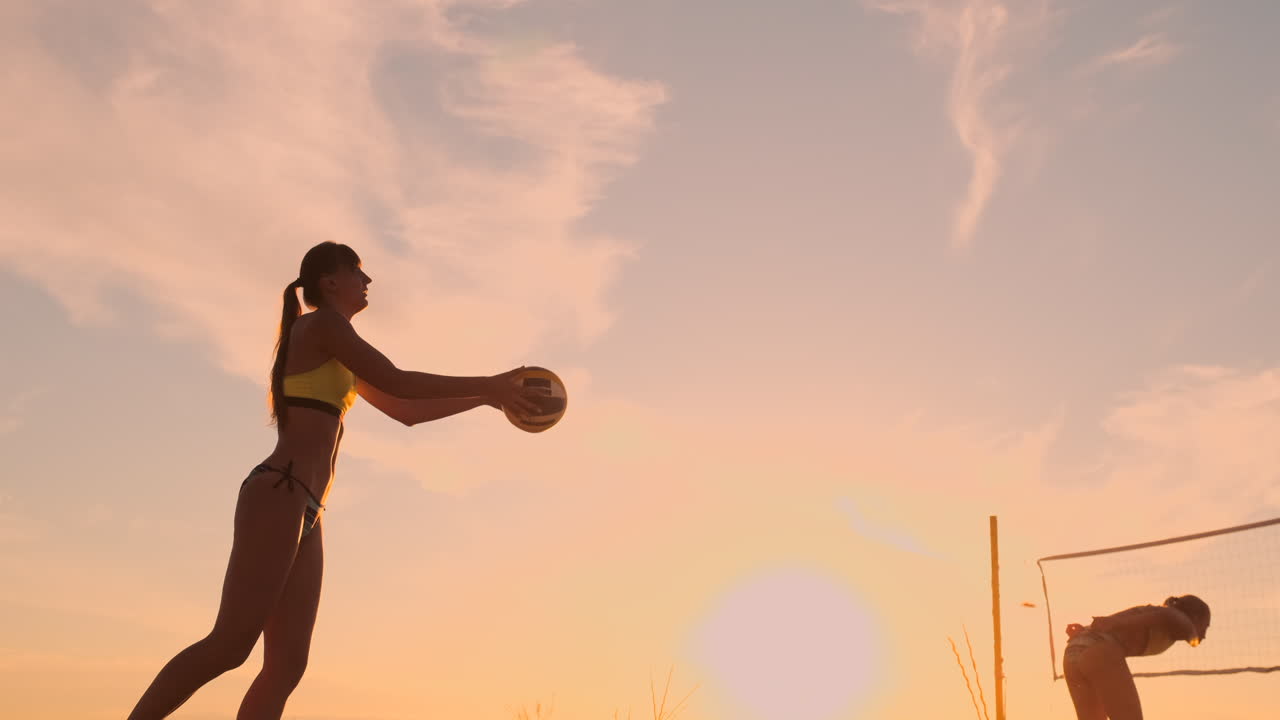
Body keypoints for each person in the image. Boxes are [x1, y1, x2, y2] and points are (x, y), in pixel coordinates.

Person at [127, 242, 543, 719]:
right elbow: (399, 379)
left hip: (306, 507)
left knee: (286, 666)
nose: (367, 282)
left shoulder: (339, 349)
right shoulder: (323, 325)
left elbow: (404, 409)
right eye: (357, 272)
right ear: (329, 282)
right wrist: (489, 382)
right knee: (230, 645)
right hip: (279, 491)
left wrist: (486, 399)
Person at [1062, 594, 1211, 720]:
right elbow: (1191, 636)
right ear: (1195, 617)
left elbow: (1110, 624)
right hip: (1098, 649)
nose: (1204, 634)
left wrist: (1087, 628)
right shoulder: (1175, 615)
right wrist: (1195, 637)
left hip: (1075, 650)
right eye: (1205, 626)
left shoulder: (1158, 614)